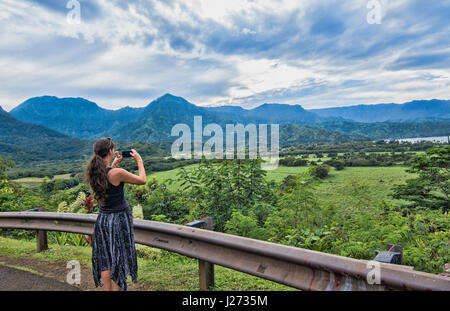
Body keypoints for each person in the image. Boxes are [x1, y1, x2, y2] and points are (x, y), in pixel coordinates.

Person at [84, 137, 146, 291]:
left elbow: (108, 180)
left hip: (103, 219)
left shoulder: (95, 173)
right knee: (118, 258)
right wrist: (139, 161)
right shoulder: (117, 173)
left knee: (105, 257)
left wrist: (113, 166)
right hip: (118, 219)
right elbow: (142, 180)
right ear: (111, 151)